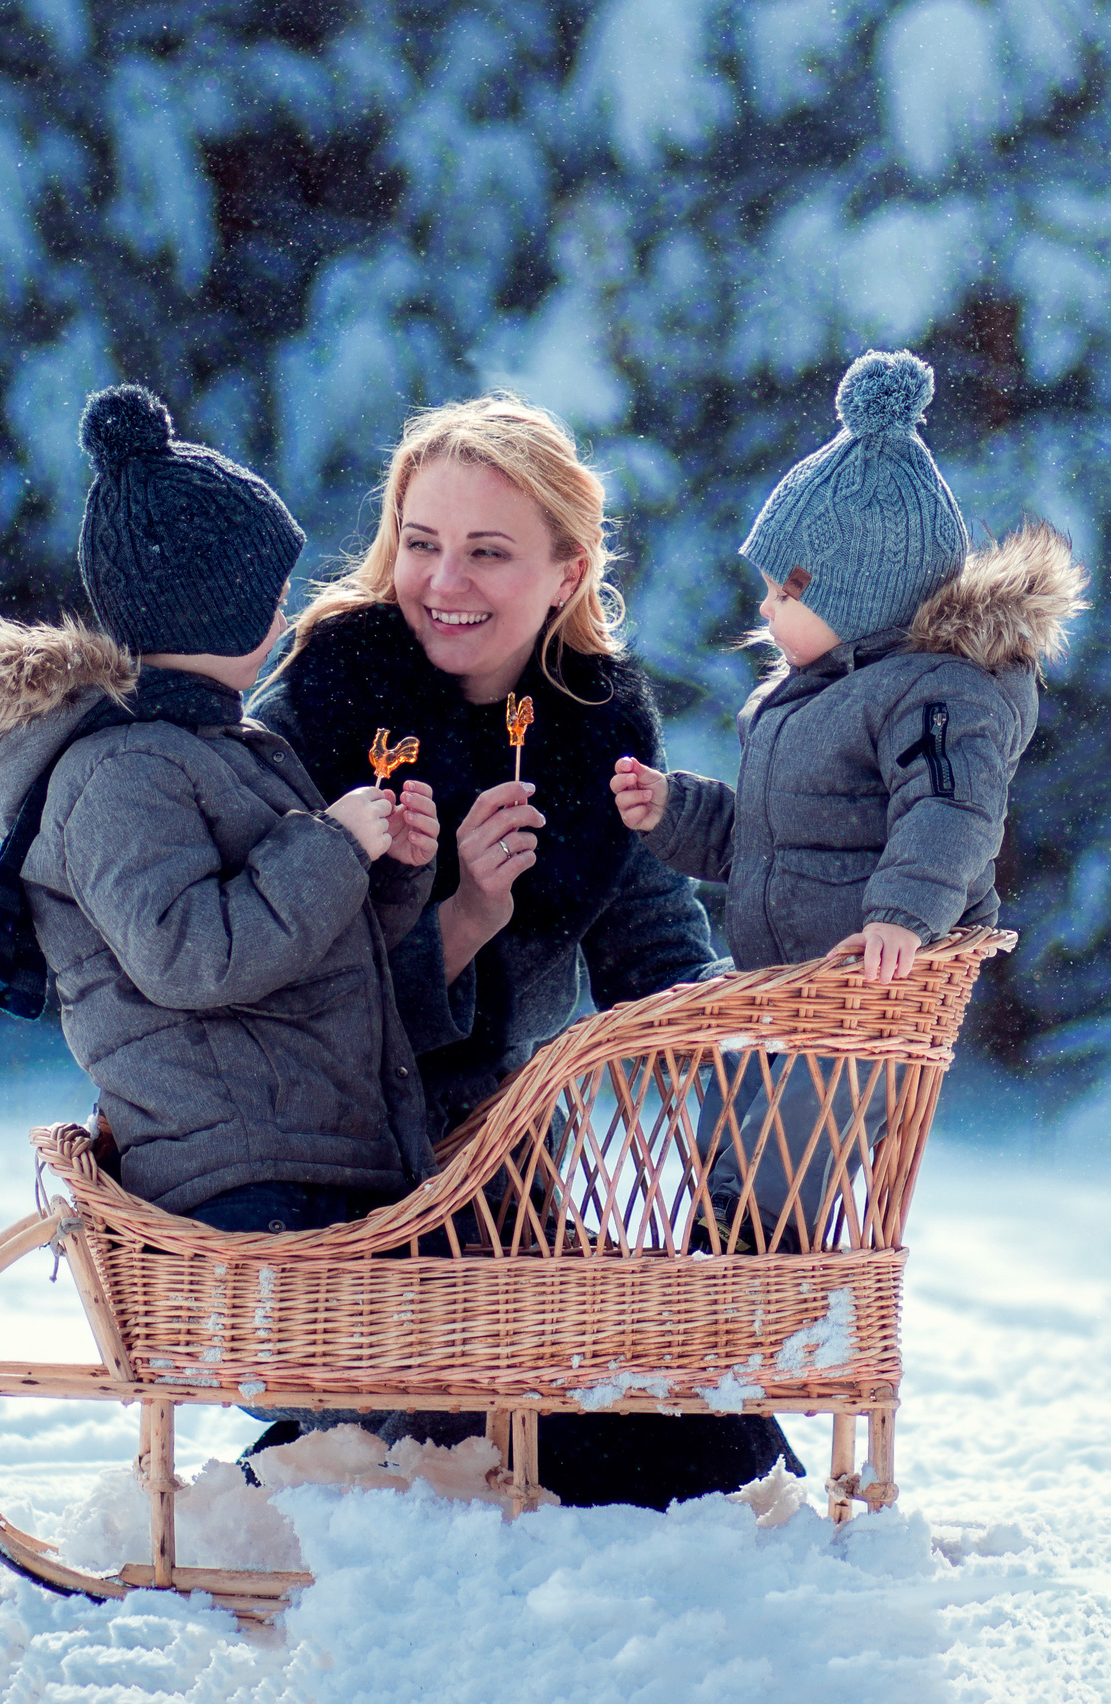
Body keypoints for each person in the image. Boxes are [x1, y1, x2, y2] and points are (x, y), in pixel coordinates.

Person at [246, 392, 797, 1508]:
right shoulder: (314, 716)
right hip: (342, 1203)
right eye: (422, 544)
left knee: (715, 1437)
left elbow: (662, 956)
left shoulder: (594, 743)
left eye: (488, 553)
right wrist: (457, 925)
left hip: (495, 1195)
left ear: (566, 573)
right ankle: (345, 1455)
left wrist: (754, 1042)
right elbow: (264, 1002)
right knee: (572, 1457)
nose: (444, 584)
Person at [0, 383, 442, 1252]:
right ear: (213, 605)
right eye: (271, 590)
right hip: (236, 1175)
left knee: (428, 1362)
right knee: (377, 1383)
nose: (285, 608)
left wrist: (389, 865)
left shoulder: (224, 747)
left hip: (308, 1152)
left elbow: (304, 943)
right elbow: (193, 956)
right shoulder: (120, 772)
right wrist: (334, 842)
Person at [611, 349, 1088, 1237]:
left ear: (855, 592)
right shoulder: (807, 700)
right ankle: (725, 1253)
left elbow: (951, 809)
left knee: (797, 1138)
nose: (764, 613)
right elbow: (765, 838)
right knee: (731, 1113)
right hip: (783, 989)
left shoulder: (939, 694)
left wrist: (904, 911)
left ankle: (762, 1246)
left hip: (867, 996)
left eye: (780, 592)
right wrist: (675, 813)